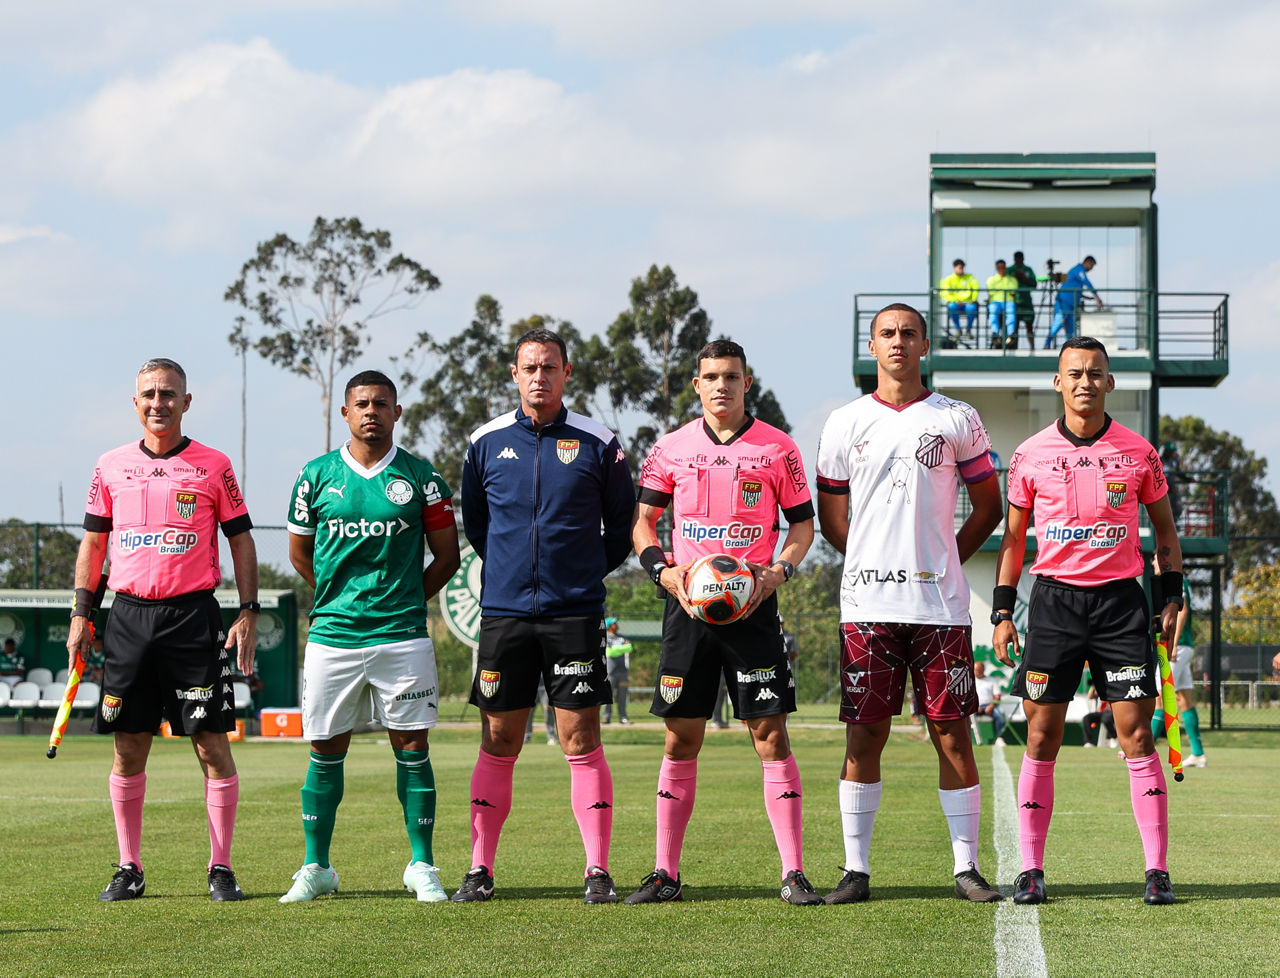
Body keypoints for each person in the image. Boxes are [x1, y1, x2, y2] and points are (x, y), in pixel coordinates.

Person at [816, 303, 1005, 904]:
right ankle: (856, 871)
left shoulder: (957, 417)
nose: (898, 342)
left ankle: (967, 868)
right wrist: (869, 558)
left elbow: (989, 507)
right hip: (867, 606)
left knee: (951, 734)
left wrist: (946, 558)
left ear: (925, 345)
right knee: (865, 735)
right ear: (872, 346)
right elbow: (832, 518)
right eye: (887, 334)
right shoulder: (843, 422)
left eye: (909, 333)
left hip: (939, 607)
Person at [628, 338, 822, 907]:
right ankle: (665, 873)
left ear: (746, 383)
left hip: (753, 611)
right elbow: (643, 522)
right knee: (680, 737)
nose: (721, 386)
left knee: (770, 735)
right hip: (688, 609)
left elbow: (802, 527)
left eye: (731, 376)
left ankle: (793, 873)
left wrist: (777, 574)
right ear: (697, 385)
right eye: (711, 377)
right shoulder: (670, 448)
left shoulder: (778, 448)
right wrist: (664, 573)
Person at [993, 335, 1184, 906]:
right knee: (1041, 735)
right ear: (1058, 382)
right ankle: (1031, 870)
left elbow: (1166, 533)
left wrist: (1172, 598)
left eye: (1095, 373)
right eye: (1074, 373)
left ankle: (1157, 871)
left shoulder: (1139, 452)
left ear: (1109, 383)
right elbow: (1013, 540)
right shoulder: (1030, 455)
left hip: (1121, 605)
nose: (1084, 381)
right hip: (1054, 604)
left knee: (1137, 734)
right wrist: (1002, 611)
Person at [66, 357, 259, 902]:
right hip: (128, 617)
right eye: (149, 394)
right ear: (136, 403)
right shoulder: (110, 465)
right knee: (128, 745)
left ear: (186, 402)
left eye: (169, 394)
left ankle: (221, 867)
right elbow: (94, 543)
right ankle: (129, 866)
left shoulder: (213, 465)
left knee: (211, 744)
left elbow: (241, 539)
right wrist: (81, 612)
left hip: (193, 618)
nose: (159, 403)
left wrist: (248, 609)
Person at [457, 327, 635, 904]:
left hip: (573, 614)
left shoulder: (598, 443)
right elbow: (479, 526)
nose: (540, 376)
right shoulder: (485, 442)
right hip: (505, 615)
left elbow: (621, 528)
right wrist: (512, 572)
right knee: (499, 737)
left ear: (567, 373)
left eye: (550, 367)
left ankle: (597, 871)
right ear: (515, 374)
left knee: (579, 737)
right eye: (530, 367)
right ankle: (480, 869)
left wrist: (580, 574)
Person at [280, 370, 460, 903]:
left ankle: (421, 865)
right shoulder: (315, 476)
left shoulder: (421, 477)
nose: (371, 412)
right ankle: (316, 867)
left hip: (402, 635)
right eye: (361, 404)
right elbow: (299, 555)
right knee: (325, 747)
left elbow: (447, 557)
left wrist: (403, 600)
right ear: (345, 413)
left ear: (396, 412)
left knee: (413, 745)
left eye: (381, 404)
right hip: (333, 635)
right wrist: (338, 598)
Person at [1151, 575, 1205, 767]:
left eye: (1154, 561)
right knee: (1183, 699)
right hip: (1182, 647)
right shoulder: (1177, 580)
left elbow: (1183, 610)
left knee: (1159, 697)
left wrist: (1173, 645)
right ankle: (1198, 754)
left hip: (1178, 647)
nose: (1153, 563)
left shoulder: (1176, 579)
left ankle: (1143, 750)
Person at [1045, 256, 1102, 348]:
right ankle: (1047, 344)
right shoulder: (1078, 270)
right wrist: (1097, 297)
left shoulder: (1077, 272)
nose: (1091, 269)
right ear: (1088, 262)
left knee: (1070, 329)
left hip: (1072, 306)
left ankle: (1070, 348)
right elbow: (1086, 282)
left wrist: (1086, 297)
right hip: (1063, 304)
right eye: (1092, 266)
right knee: (1058, 323)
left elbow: (1074, 287)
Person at [602, 617, 633, 725]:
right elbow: (609, 652)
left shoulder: (622, 637)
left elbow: (629, 648)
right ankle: (606, 717)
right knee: (608, 695)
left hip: (623, 671)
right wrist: (620, 649)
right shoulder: (605, 637)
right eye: (614, 623)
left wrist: (615, 648)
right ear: (609, 626)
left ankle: (623, 717)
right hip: (610, 672)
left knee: (622, 696)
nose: (617, 625)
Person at [939, 259, 980, 340]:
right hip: (956, 303)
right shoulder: (949, 279)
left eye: (962, 268)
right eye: (959, 268)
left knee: (972, 308)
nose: (961, 270)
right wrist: (955, 300)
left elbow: (976, 288)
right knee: (951, 307)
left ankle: (968, 330)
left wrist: (973, 299)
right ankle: (958, 329)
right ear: (954, 268)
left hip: (968, 302)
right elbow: (945, 293)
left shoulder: (970, 277)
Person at [986, 259, 1019, 350]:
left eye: (1003, 267)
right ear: (996, 268)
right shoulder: (991, 279)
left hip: (1008, 301)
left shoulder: (1012, 280)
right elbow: (991, 291)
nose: (1001, 269)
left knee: (1011, 312)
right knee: (993, 311)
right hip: (995, 302)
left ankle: (1011, 334)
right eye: (999, 268)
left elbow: (1013, 291)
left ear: (1005, 268)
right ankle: (995, 334)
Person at [1008, 251, 1038, 349]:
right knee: (1014, 327)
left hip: (1026, 302)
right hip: (1014, 301)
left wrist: (1024, 278)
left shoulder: (1028, 270)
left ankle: (1032, 348)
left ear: (1023, 258)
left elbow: (1034, 284)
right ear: (1014, 259)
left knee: (1029, 326)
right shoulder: (1010, 270)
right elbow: (1006, 283)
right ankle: (1013, 347)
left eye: (1020, 258)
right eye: (1017, 258)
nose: (1019, 260)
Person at [973, 661, 1007, 745]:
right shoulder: (970, 681)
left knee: (1001, 717)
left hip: (989, 706)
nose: (976, 672)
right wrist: (975, 705)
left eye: (978, 670)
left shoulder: (991, 681)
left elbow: (997, 696)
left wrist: (991, 706)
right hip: (974, 707)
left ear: (983, 670)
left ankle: (998, 738)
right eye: (975, 670)